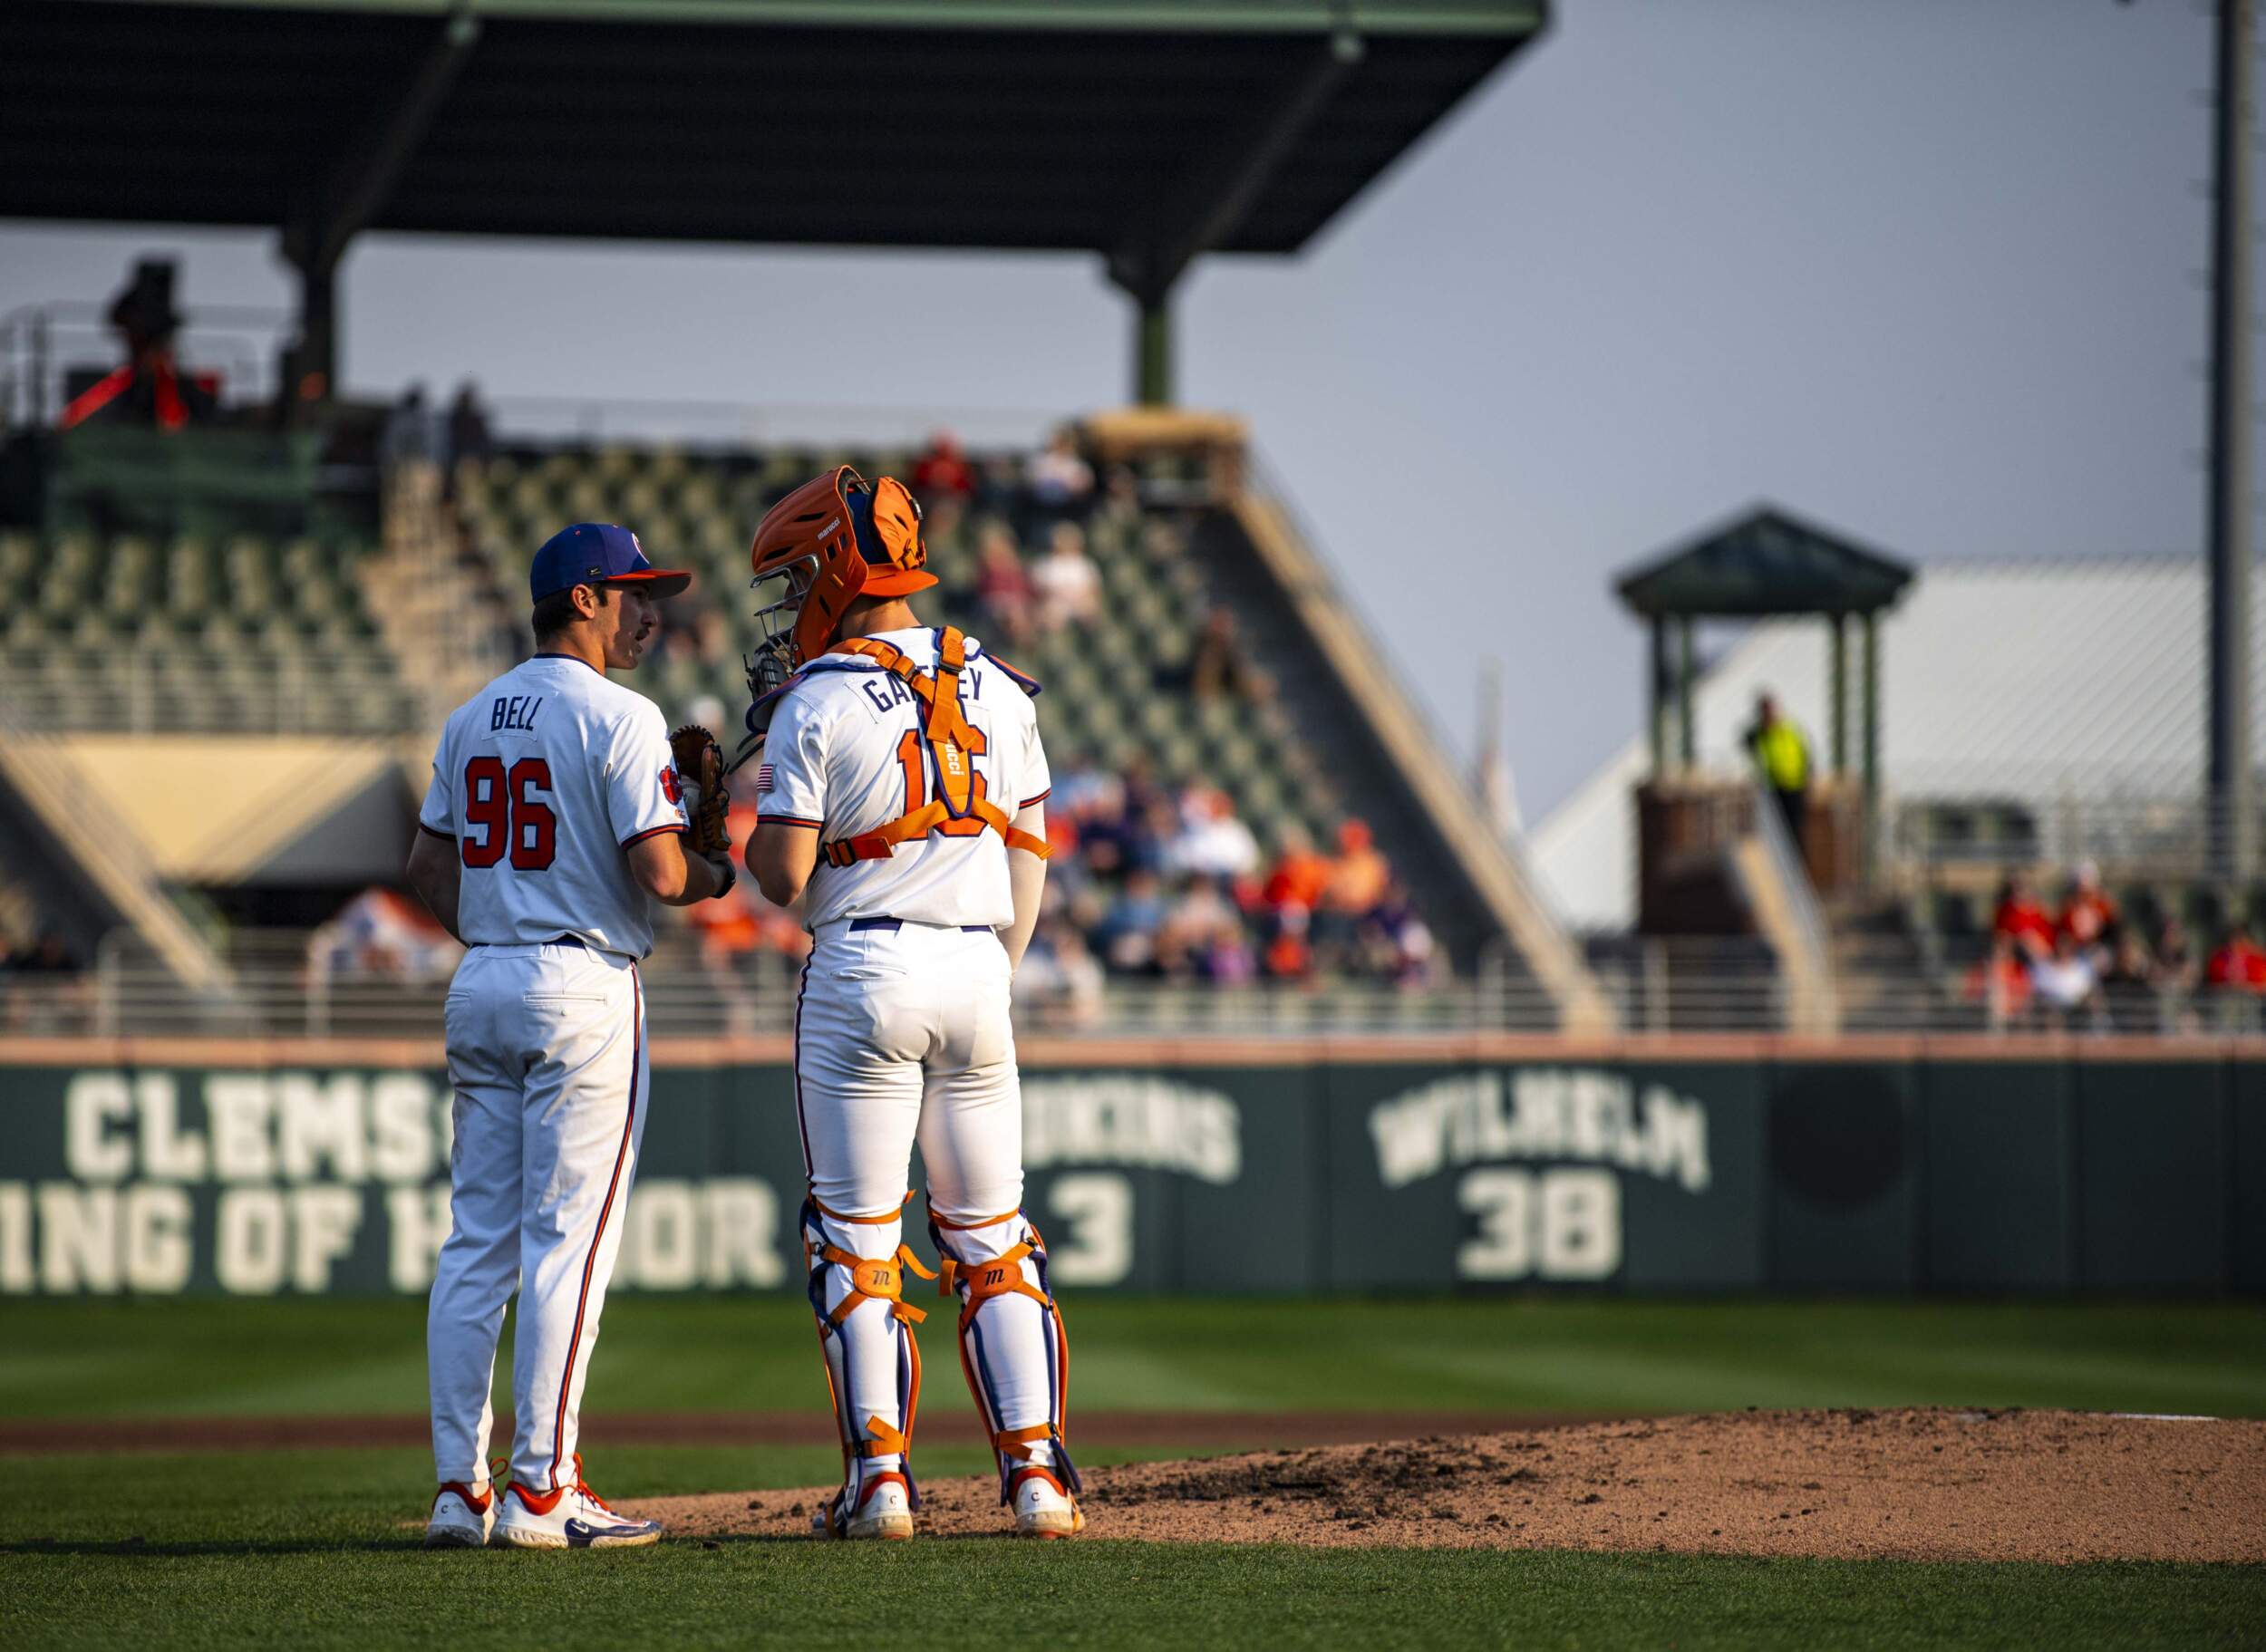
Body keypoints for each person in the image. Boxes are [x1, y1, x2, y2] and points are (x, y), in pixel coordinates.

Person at [740, 467, 1080, 1542]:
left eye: (800, 580)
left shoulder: (816, 697)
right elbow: (1029, 856)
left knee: (856, 1244)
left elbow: (783, 875)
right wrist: (991, 968)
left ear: (840, 571)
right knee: (994, 1236)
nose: (793, 604)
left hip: (864, 969)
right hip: (977, 968)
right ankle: (1039, 1480)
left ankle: (880, 1484)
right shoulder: (1003, 685)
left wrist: (728, 815)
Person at [405, 522, 733, 1551]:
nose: (650, 613)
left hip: (484, 975)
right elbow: (664, 875)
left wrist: (499, 921)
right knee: (566, 1243)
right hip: (580, 982)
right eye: (634, 592)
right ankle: (544, 1489)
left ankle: (458, 1490)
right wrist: (716, 866)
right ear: (582, 597)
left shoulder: (470, 715)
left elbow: (426, 868)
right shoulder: (621, 714)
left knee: (476, 1244)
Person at [1742, 692, 1811, 848]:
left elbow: (1805, 754)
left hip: (1795, 785)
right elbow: (1747, 744)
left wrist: (1806, 778)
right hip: (1774, 788)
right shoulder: (1759, 735)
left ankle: (1795, 858)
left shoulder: (1790, 729)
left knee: (1795, 830)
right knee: (1779, 831)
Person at [1029, 520, 1100, 632]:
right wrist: (1060, 595)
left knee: (1091, 609)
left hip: (1080, 602)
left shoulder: (1085, 563)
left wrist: (1077, 597)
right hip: (1054, 603)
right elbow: (1039, 588)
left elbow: (1093, 588)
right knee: (1048, 615)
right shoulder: (1044, 563)